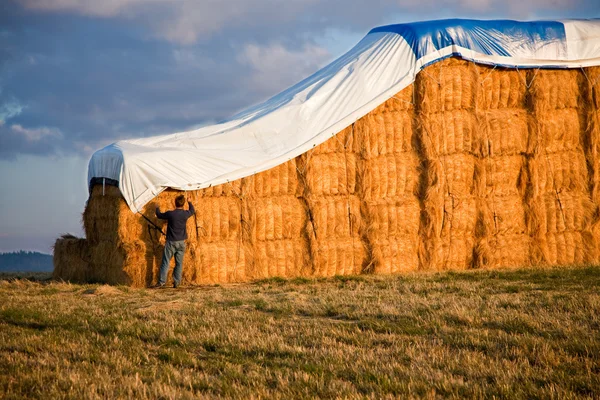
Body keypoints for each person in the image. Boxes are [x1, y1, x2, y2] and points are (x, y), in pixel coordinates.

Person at [153, 194, 195, 288]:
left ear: (174, 203)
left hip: (171, 242)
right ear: (183, 204)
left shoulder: (170, 214)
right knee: (179, 263)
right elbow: (192, 211)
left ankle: (162, 282)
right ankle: (176, 282)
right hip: (181, 243)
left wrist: (157, 208)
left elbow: (159, 215)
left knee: (166, 262)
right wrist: (190, 202)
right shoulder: (185, 214)